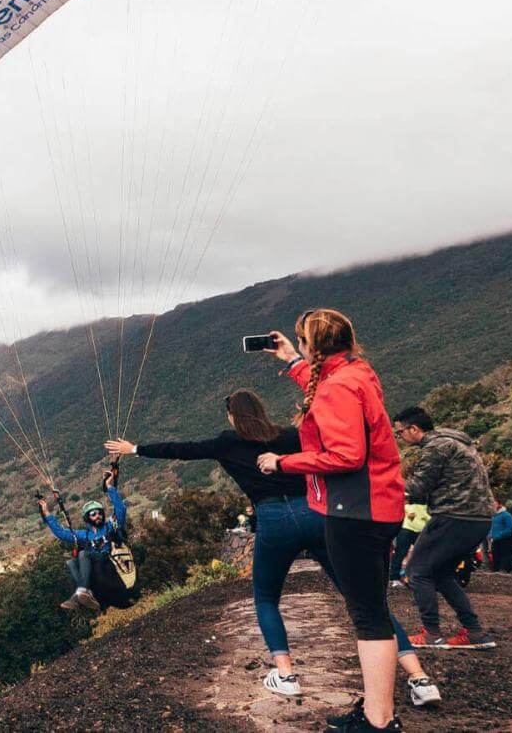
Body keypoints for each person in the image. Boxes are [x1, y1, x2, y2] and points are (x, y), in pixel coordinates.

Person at [107, 391, 439, 708]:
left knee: (266, 598)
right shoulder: (290, 436)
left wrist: (134, 448)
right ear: (262, 410)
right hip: (315, 516)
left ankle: (285, 674)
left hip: (273, 520)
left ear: (232, 416)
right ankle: (420, 678)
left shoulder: (227, 442)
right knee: (364, 599)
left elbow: (182, 449)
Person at [255, 309, 407, 732]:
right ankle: (380, 709)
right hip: (379, 506)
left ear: (313, 346)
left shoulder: (338, 387)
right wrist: (291, 362)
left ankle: (378, 721)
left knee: (368, 614)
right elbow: (327, 393)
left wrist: (283, 462)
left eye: (301, 341)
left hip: (355, 512)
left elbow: (345, 454)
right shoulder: (356, 373)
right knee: (371, 609)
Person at [393, 406, 497, 650]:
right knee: (441, 574)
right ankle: (474, 632)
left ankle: (431, 633)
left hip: (454, 515)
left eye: (400, 432)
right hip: (478, 518)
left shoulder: (436, 448)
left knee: (417, 570)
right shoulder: (457, 443)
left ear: (414, 429)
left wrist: (382, 486)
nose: (400, 437)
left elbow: (417, 488)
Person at [37, 464, 126, 612]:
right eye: (93, 514)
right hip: (97, 570)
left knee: (84, 554)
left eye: (99, 513)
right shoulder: (84, 535)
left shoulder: (110, 526)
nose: (97, 516)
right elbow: (61, 533)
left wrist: (110, 487)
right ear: (87, 518)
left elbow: (121, 510)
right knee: (71, 562)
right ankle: (87, 595)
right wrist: (46, 513)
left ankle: (79, 595)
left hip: (111, 563)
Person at [390, 503, 430, 586]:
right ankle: (394, 577)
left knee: (423, 555)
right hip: (406, 530)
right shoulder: (406, 504)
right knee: (400, 554)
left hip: (420, 532)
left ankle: (419, 577)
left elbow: (429, 519)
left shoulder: (427, 506)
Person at [488, 502, 512, 573]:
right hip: (495, 538)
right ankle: (496, 569)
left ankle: (505, 569)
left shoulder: (507, 515)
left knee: (505, 554)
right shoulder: (494, 516)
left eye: (494, 504)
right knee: (495, 554)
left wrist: (500, 534)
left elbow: (510, 528)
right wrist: (490, 535)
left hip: (505, 538)